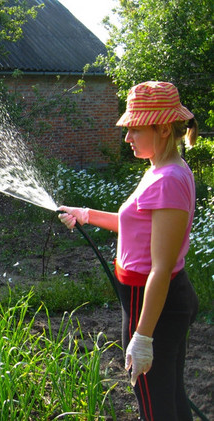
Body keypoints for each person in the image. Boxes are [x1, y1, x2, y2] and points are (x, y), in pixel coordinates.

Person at [58, 81, 199, 421]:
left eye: (134, 129)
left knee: (153, 402)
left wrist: (143, 336)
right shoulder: (160, 170)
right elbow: (137, 225)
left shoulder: (166, 180)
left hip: (150, 303)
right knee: (169, 394)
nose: (126, 138)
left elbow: (160, 268)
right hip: (162, 300)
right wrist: (87, 215)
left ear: (163, 128)